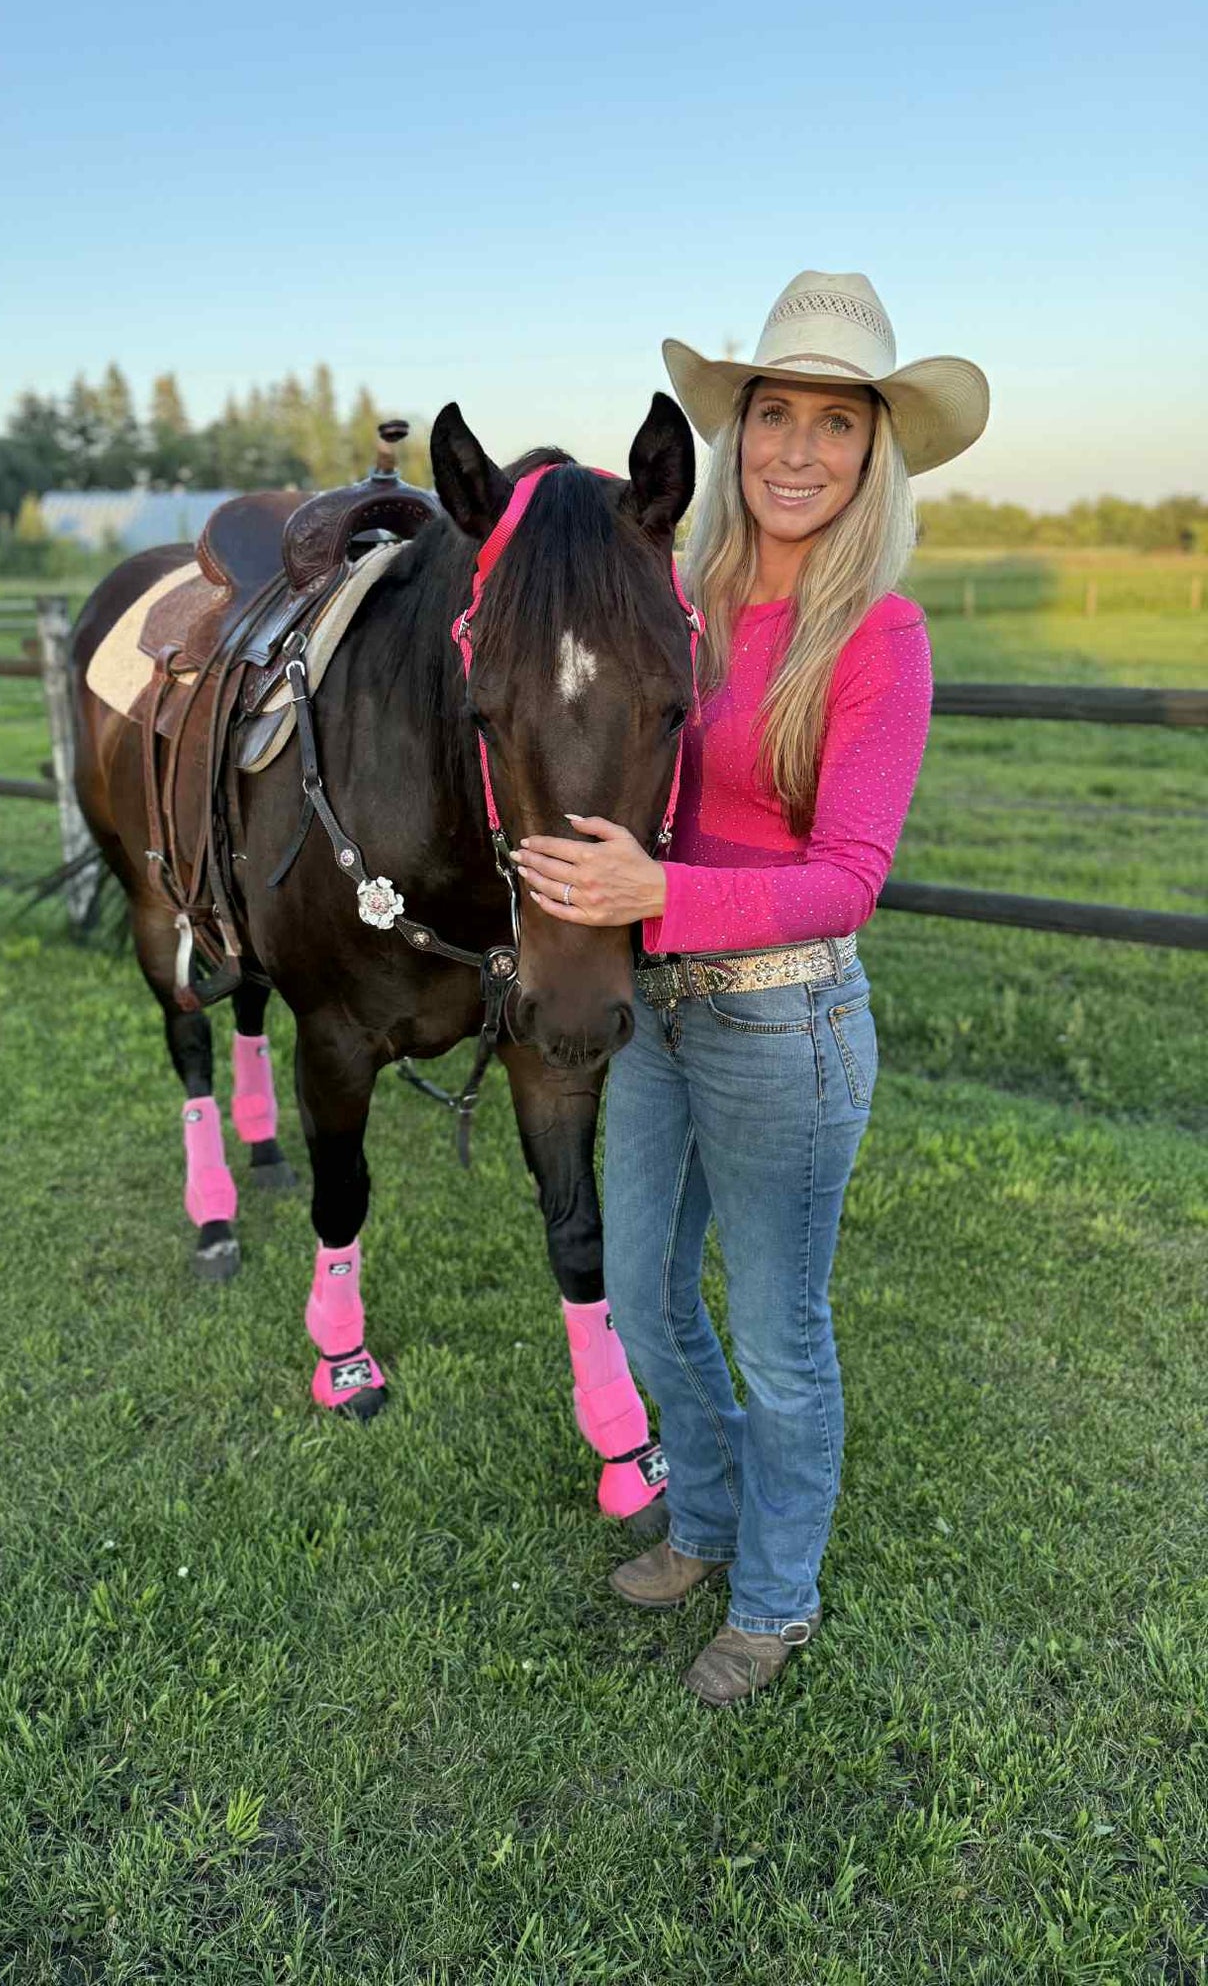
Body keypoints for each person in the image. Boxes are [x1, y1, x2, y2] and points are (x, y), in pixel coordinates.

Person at [511, 272, 988, 1704]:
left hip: (787, 1019)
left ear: (871, 453)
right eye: (772, 412)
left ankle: (777, 1598)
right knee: (650, 1299)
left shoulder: (876, 637)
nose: (793, 448)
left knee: (781, 1337)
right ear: (738, 433)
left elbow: (848, 877)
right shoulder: (681, 602)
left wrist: (663, 892)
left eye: (832, 424)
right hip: (659, 1008)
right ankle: (709, 1525)